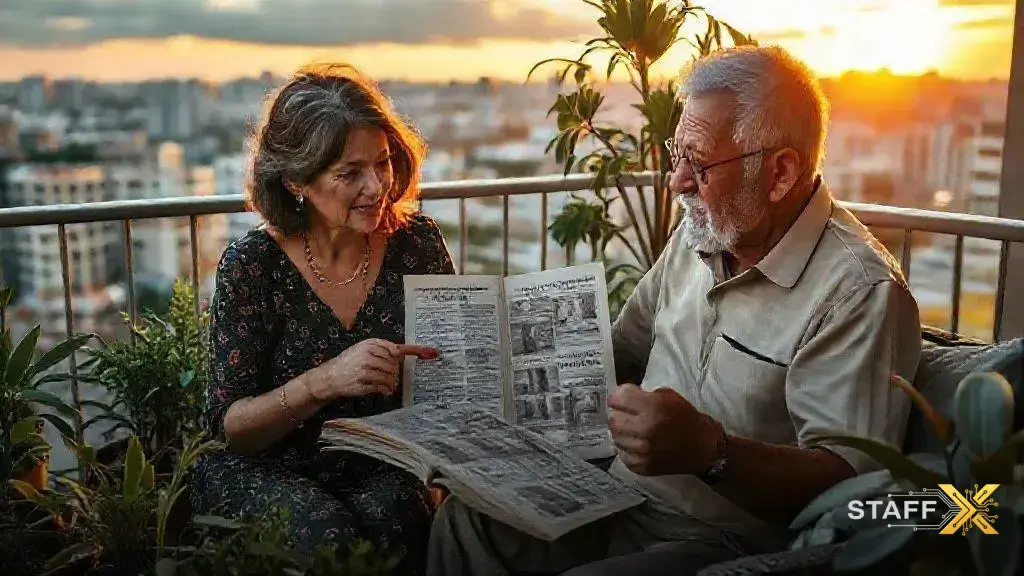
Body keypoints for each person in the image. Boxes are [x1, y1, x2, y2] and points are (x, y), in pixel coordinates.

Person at [427, 45, 922, 576]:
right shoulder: (701, 234)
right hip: (616, 497)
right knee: (466, 521)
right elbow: (624, 348)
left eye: (699, 163)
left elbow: (851, 488)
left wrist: (713, 453)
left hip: (722, 539)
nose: (677, 181)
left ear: (779, 174)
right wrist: (500, 389)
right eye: (676, 154)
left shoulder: (857, 290)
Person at [190, 62, 455, 574]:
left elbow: (451, 371)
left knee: (401, 516)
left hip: (375, 458)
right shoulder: (254, 266)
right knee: (325, 536)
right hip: (265, 463)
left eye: (382, 163)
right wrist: (326, 381)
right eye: (349, 173)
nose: (377, 187)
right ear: (296, 181)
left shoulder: (416, 243)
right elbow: (230, 430)